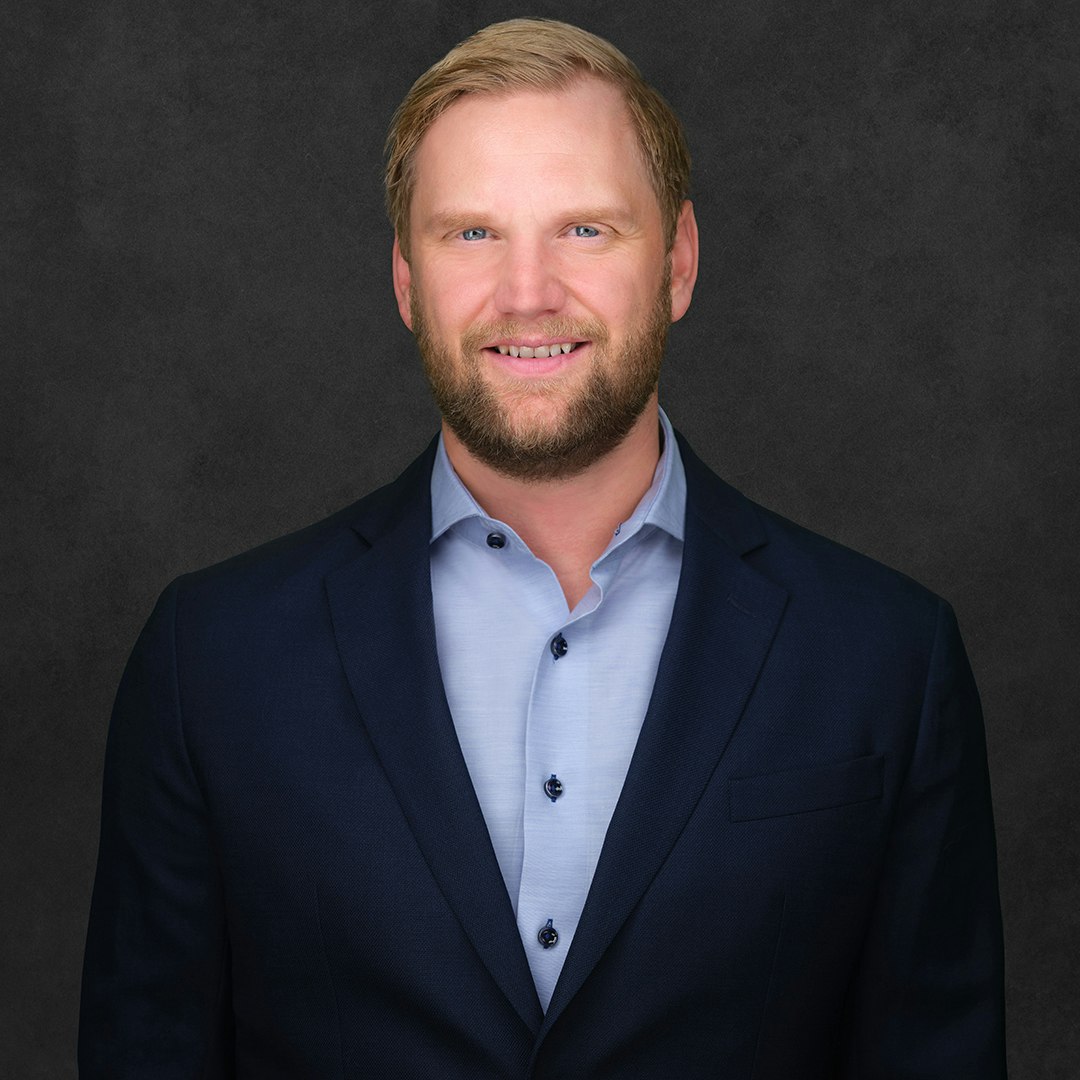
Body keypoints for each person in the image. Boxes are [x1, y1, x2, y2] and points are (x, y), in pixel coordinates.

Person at [79, 18, 1006, 1078]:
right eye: (471, 234)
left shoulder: (889, 659)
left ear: (680, 264)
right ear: (404, 282)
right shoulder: (213, 662)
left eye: (586, 231)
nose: (527, 291)